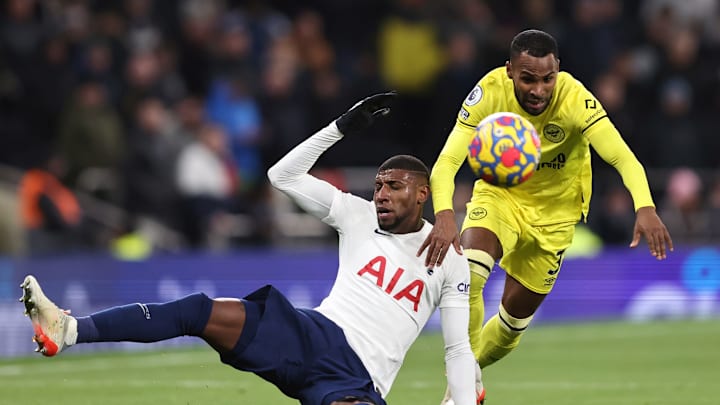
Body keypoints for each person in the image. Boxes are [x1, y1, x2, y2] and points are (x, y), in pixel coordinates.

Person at [19, 92, 478, 405]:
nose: (379, 194)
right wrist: (340, 128)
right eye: (377, 185)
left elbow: (457, 350)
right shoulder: (354, 214)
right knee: (197, 310)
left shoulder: (449, 257)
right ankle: (71, 329)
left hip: (355, 375)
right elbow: (282, 176)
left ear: (422, 194)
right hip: (305, 332)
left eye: (393, 186)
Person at [416, 29, 674, 404]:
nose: (539, 90)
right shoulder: (489, 91)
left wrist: (645, 206)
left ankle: (468, 376)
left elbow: (621, 156)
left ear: (557, 72)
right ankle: (462, 389)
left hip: (556, 214)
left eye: (547, 78)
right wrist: (443, 215)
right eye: (528, 79)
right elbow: (446, 163)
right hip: (500, 196)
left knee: (509, 330)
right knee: (468, 273)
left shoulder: (574, 97)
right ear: (509, 71)